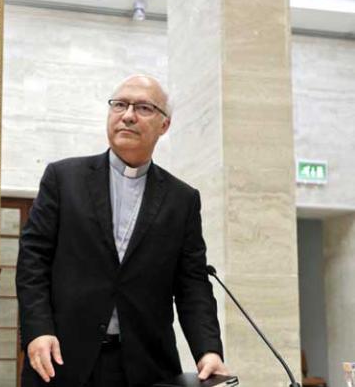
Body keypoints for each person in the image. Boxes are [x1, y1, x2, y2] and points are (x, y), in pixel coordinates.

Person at [16, 75, 229, 387]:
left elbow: (192, 283)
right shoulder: (64, 179)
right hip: (61, 358)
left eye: (143, 107)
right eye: (120, 105)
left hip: (144, 366)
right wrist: (37, 329)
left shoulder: (182, 199)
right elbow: (33, 261)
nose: (128, 115)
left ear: (164, 125)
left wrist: (208, 349)